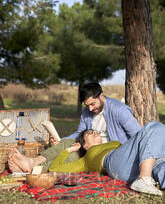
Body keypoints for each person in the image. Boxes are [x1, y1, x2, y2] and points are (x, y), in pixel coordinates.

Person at [8, 121, 165, 196]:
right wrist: (67, 150)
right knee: (154, 127)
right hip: (113, 164)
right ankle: (143, 179)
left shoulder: (115, 143)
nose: (95, 132)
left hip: (136, 165)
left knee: (161, 163)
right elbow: (56, 169)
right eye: (89, 133)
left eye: (95, 131)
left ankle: (148, 177)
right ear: (85, 146)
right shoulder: (85, 159)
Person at [64, 82, 142, 144]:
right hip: (93, 152)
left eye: (92, 104)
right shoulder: (86, 111)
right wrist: (62, 141)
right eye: (87, 105)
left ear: (101, 96)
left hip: (116, 153)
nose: (90, 109)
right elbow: (80, 134)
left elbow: (138, 136)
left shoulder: (120, 110)